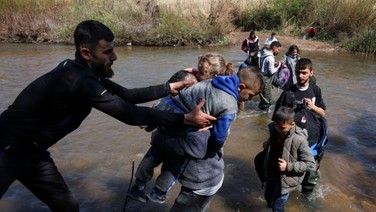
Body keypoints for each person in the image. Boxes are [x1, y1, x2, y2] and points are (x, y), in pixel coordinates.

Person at [0, 20, 216, 211]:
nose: (114, 57)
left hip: (33, 151)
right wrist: (185, 119)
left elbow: (126, 95)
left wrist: (169, 88)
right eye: (107, 52)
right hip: (7, 148)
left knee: (66, 205)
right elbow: (130, 115)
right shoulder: (79, 81)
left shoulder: (81, 70)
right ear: (86, 53)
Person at [128, 65, 263, 204]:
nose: (250, 99)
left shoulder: (214, 81)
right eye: (251, 95)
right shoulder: (230, 104)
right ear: (240, 86)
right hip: (184, 128)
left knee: (154, 153)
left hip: (168, 116)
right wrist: (215, 146)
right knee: (176, 160)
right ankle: (158, 192)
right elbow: (219, 135)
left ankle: (138, 186)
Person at [272, 58, 326, 194]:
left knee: (311, 171)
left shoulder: (316, 90)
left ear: (311, 73)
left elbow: (323, 113)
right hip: (292, 140)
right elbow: (277, 120)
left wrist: (313, 107)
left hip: (313, 139)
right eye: (298, 73)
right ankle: (285, 195)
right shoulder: (288, 93)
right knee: (288, 171)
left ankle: (306, 196)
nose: (300, 76)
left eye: (304, 73)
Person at [262, 106, 315, 211]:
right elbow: (274, 141)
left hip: (287, 178)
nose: (278, 129)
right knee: (268, 197)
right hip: (272, 172)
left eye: (282, 128)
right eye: (276, 125)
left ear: (292, 124)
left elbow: (310, 163)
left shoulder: (299, 140)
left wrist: (288, 166)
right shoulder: (274, 129)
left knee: (278, 207)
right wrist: (267, 144)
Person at [258, 41, 282, 111]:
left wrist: (274, 64)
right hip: (266, 79)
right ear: (274, 48)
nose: (278, 51)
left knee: (263, 95)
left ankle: (261, 108)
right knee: (267, 97)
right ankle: (263, 114)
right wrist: (278, 67)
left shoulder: (264, 53)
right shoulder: (270, 57)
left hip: (261, 76)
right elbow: (271, 72)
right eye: (278, 49)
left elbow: (265, 64)